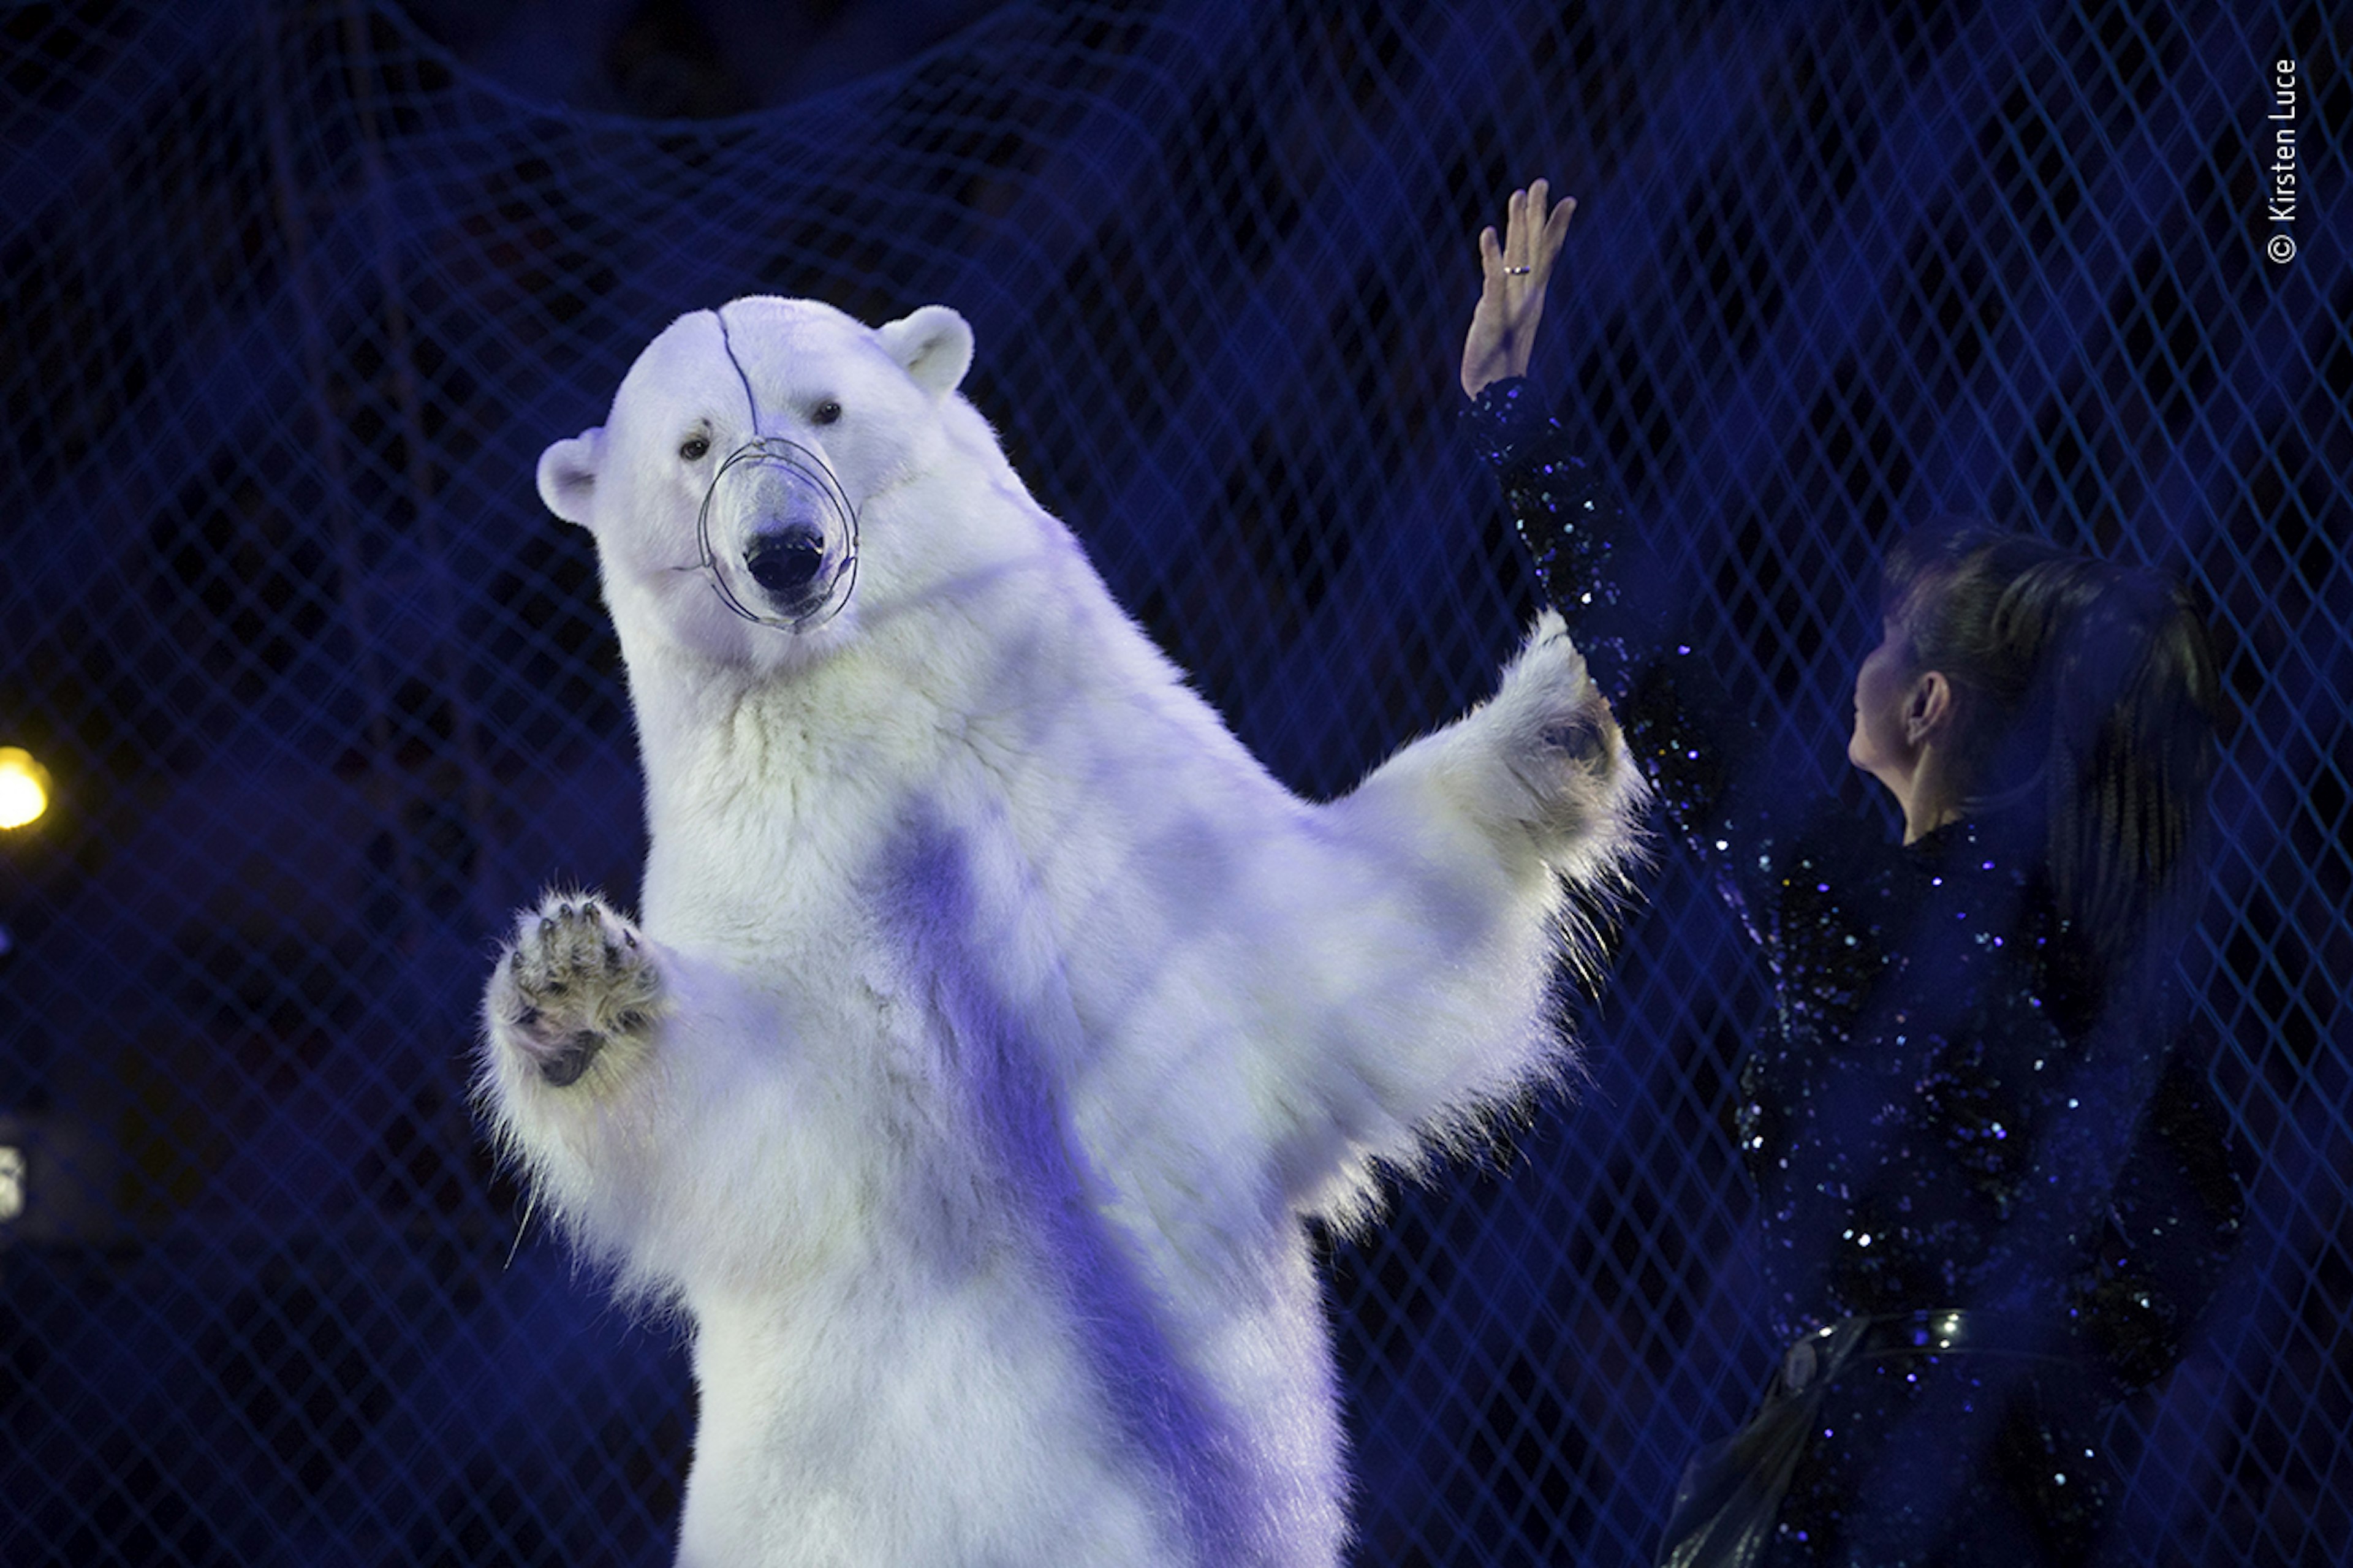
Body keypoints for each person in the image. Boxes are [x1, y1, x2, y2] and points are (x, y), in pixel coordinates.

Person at [1459, 182, 2245, 1566]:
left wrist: (1512, 414)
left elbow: (1669, 683)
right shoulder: (2086, 953)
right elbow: (2203, 1243)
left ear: (1931, 704)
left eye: (1888, 639)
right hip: (2032, 1492)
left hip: (1871, 1482)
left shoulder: (1871, 908)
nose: (1861, 662)